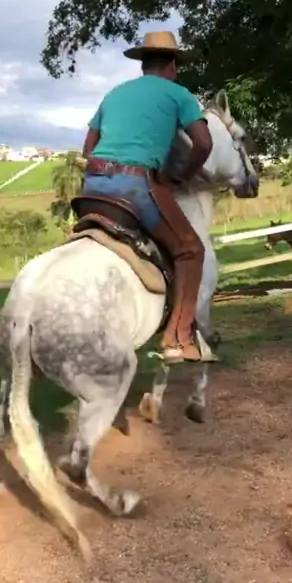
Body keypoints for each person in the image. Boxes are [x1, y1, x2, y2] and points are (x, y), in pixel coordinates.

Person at [81, 30, 213, 363]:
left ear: (143, 64)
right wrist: (178, 176)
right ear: (173, 65)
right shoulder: (179, 94)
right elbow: (203, 144)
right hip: (136, 185)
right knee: (191, 251)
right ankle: (179, 339)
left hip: (93, 185)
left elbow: (88, 149)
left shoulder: (114, 94)